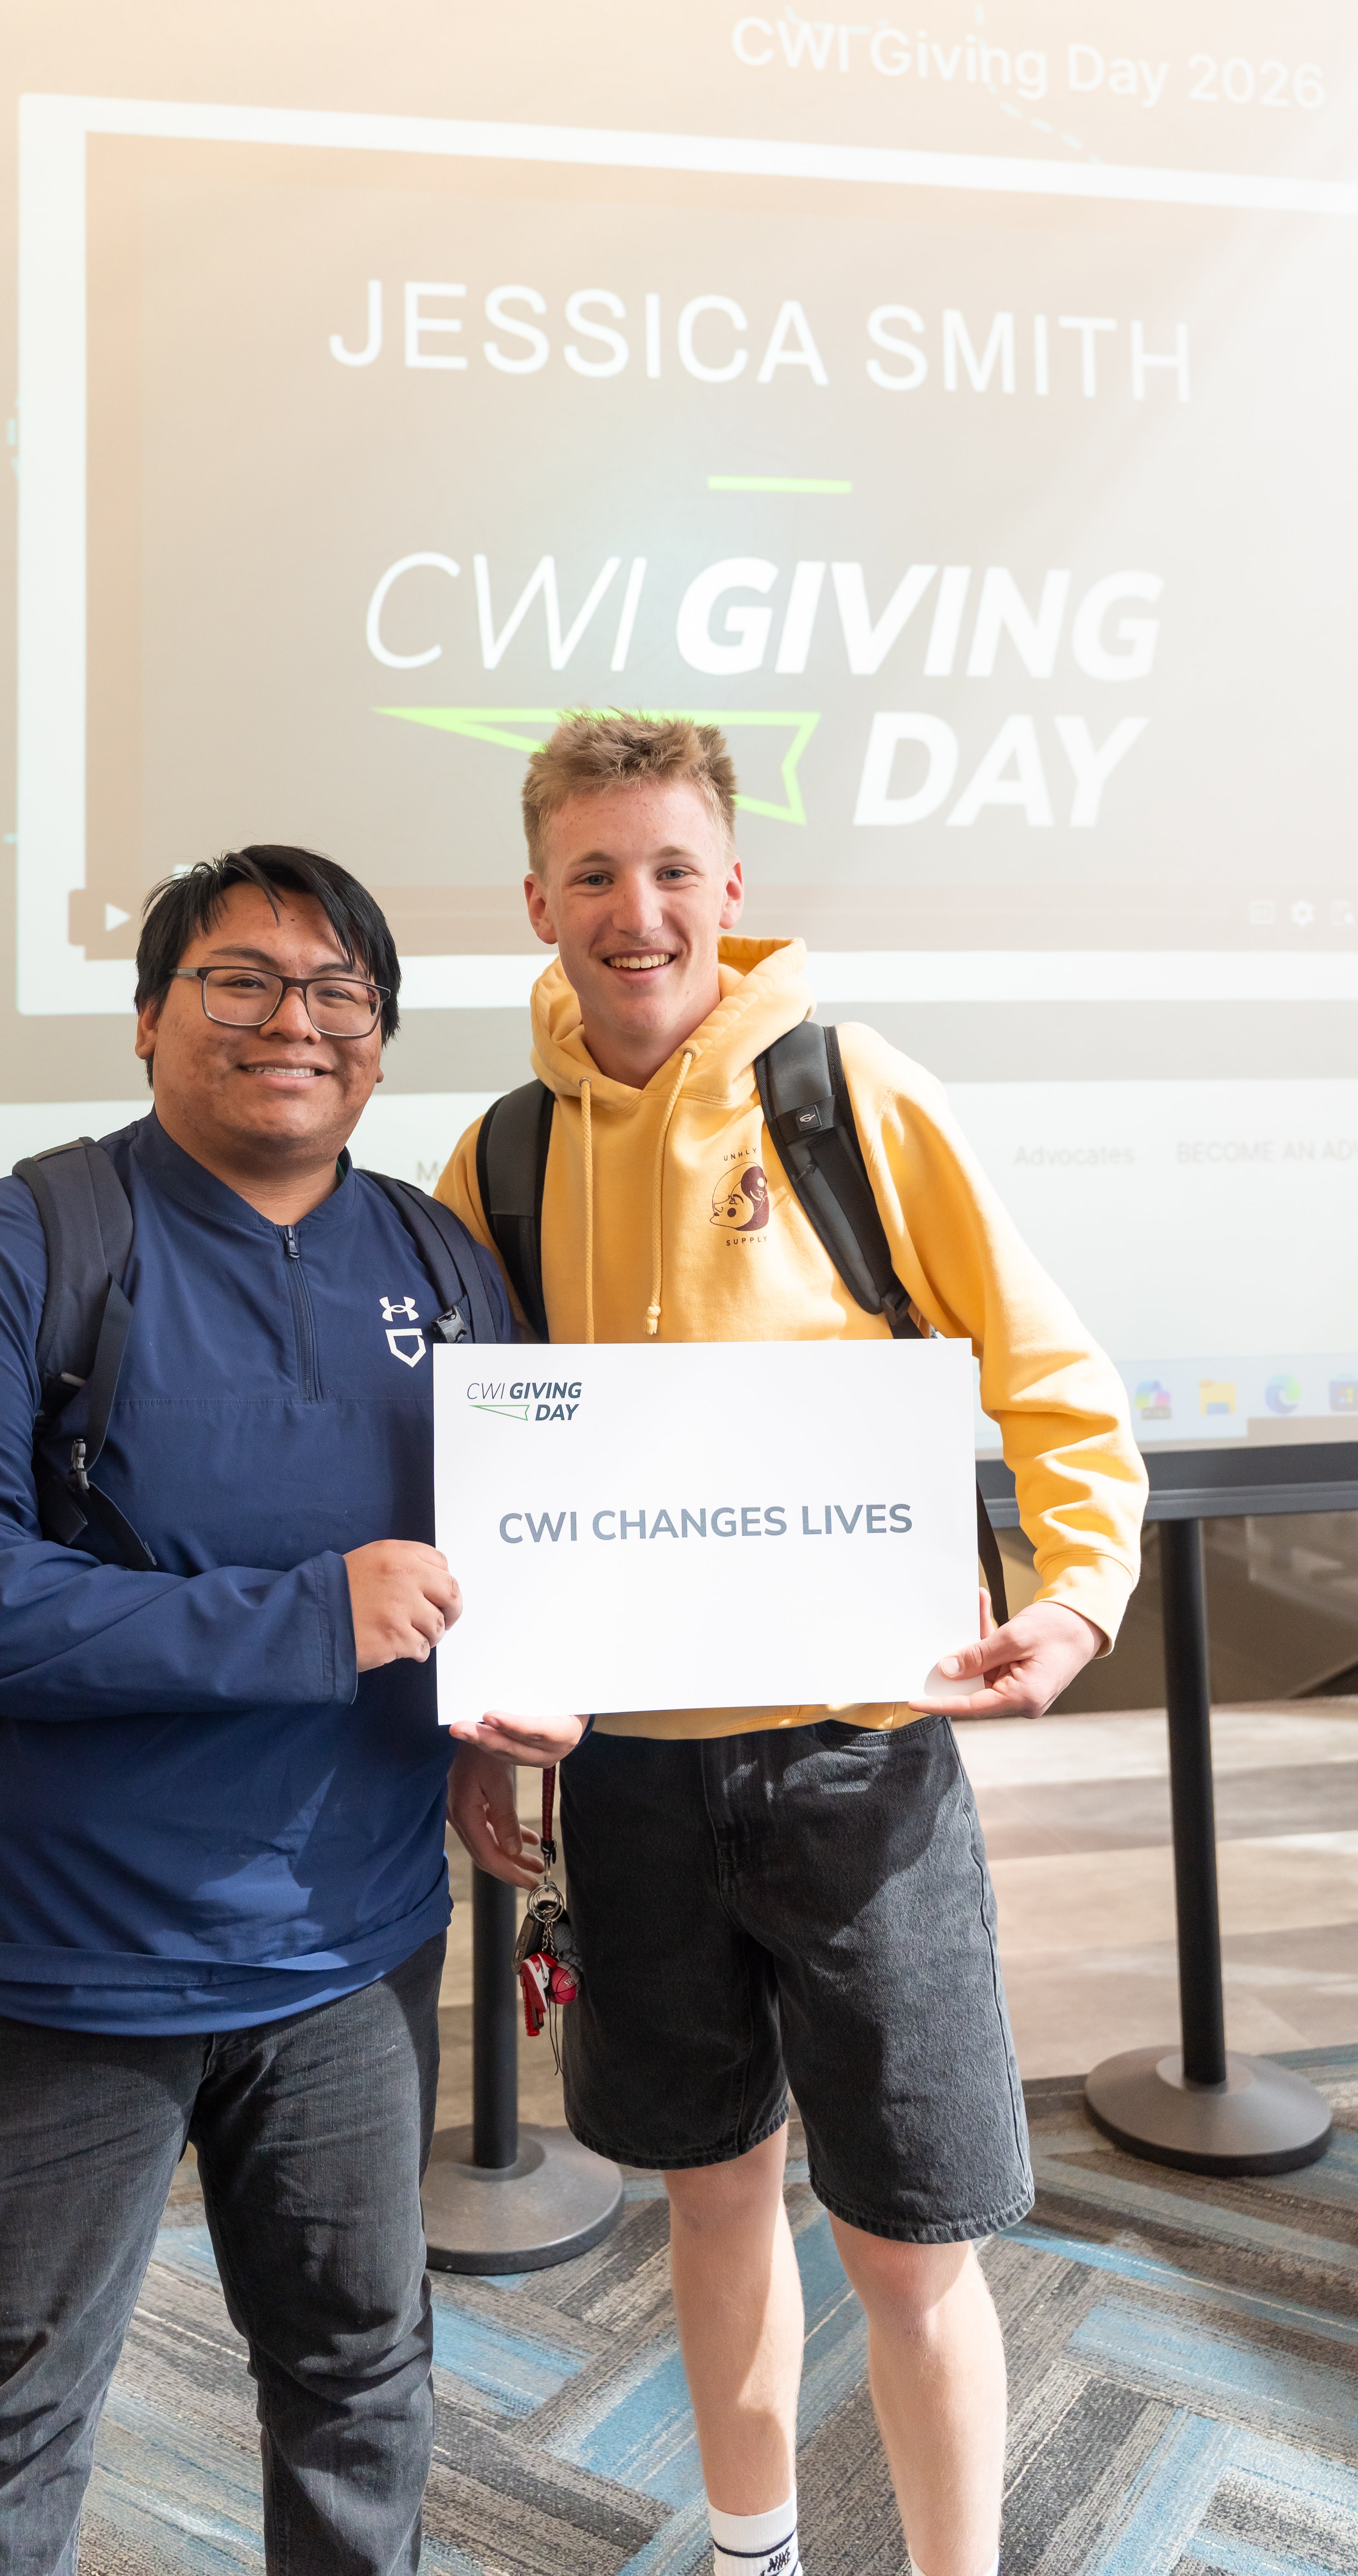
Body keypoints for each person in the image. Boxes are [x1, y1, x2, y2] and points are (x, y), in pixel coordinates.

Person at [435, 715, 1146, 2576]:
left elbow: (1052, 1375)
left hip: (858, 1772)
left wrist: (1076, 1589)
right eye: (594, 872)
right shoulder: (496, 1156)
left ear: (732, 885)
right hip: (629, 1786)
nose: (636, 908)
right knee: (710, 2201)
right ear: (536, 901)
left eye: (672, 867)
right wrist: (475, 1721)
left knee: (909, 2246)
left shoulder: (847, 1094)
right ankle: (751, 2553)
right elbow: (465, 1474)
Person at [0, 845, 510, 2575]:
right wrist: (311, 1613)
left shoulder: (439, 1262)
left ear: (380, 1038)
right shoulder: (10, 1253)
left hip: (348, 1949)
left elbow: (505, 1551)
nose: (296, 1020)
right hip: (42, 1965)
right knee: (1, 2425)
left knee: (362, 2381)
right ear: (147, 1018)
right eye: (241, 981)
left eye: (340, 991)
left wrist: (506, 1707)